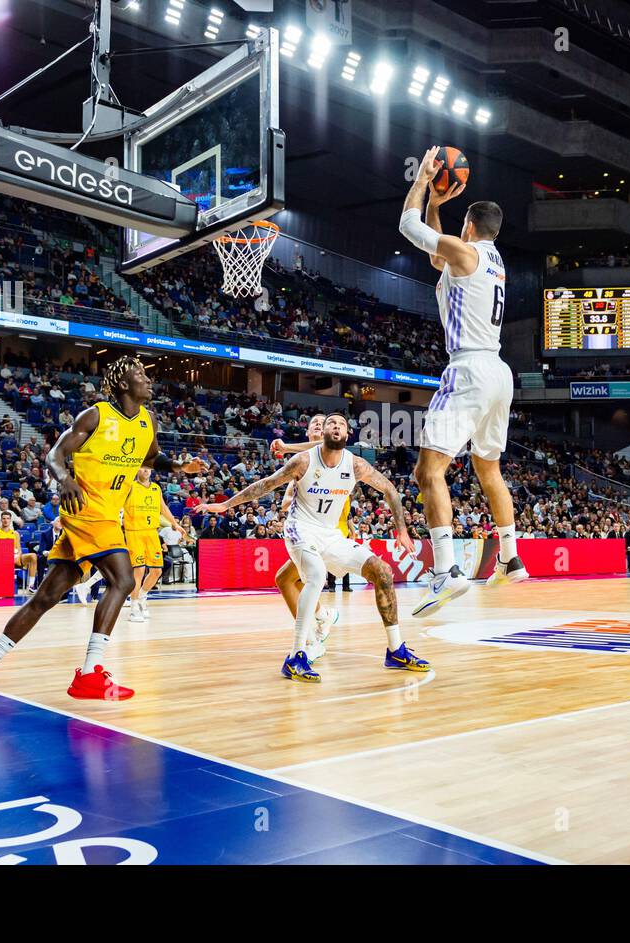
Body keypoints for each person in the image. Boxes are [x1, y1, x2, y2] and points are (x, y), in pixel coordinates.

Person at [0, 356, 208, 710]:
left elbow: (151, 459)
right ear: (122, 384)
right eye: (140, 375)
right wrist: (66, 479)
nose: (148, 380)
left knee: (45, 598)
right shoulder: (96, 415)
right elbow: (55, 455)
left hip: (104, 515)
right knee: (123, 580)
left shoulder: (148, 421)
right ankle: (90, 672)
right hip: (87, 509)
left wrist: (181, 466)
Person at [198, 413, 426, 684]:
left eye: (342, 423)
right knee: (316, 574)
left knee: (383, 571)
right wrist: (225, 505)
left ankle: (396, 650)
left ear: (348, 434)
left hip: (331, 535)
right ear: (323, 433)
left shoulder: (355, 465)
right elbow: (265, 485)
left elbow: (390, 490)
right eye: (332, 423)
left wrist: (401, 529)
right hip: (300, 527)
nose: (337, 426)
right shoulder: (304, 460)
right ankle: (296, 656)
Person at [399, 145, 527, 617]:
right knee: (488, 469)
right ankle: (511, 558)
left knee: (427, 472)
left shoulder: (466, 251)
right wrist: (438, 205)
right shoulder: (491, 261)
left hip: (469, 369)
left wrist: (423, 180)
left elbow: (408, 230)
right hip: (499, 372)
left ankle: (446, 572)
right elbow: (439, 258)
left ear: (469, 226)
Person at [268, 414, 339, 661]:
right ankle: (319, 620)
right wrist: (296, 495)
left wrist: (286, 447)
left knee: (290, 580)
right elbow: (286, 501)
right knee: (288, 580)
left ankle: (310, 638)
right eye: (314, 424)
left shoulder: (334, 451)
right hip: (309, 531)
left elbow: (323, 446)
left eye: (323, 422)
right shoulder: (303, 463)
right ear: (307, 432)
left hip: (329, 533)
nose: (319, 425)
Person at [122, 466, 189, 622]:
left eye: (148, 469)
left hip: (152, 532)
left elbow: (163, 508)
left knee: (157, 571)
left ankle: (141, 598)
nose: (146, 471)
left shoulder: (156, 488)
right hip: (135, 532)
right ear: (137, 471)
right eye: (143, 468)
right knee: (139, 570)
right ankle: (133, 609)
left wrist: (174, 524)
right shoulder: (130, 486)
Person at [0, 510, 37, 594]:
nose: (6, 520)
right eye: (4, 518)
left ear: (10, 520)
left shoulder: (15, 533)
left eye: (8, 518)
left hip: (15, 557)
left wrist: (17, 556)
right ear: (1, 520)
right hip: (2, 558)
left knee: (33, 556)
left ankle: (30, 586)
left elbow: (19, 549)